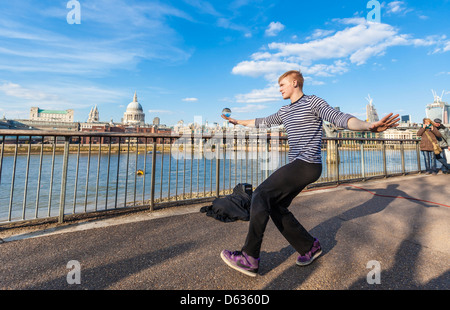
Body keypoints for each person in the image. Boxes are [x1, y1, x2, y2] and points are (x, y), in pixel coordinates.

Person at [220, 70, 399, 277]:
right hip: (298, 165)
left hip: (307, 164)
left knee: (260, 194)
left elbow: (339, 118)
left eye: (282, 85)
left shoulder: (313, 102)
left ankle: (249, 257)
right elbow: (263, 121)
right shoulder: (284, 111)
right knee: (275, 205)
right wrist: (238, 122)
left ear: (295, 83)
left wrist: (368, 126)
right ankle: (309, 247)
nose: (279, 89)